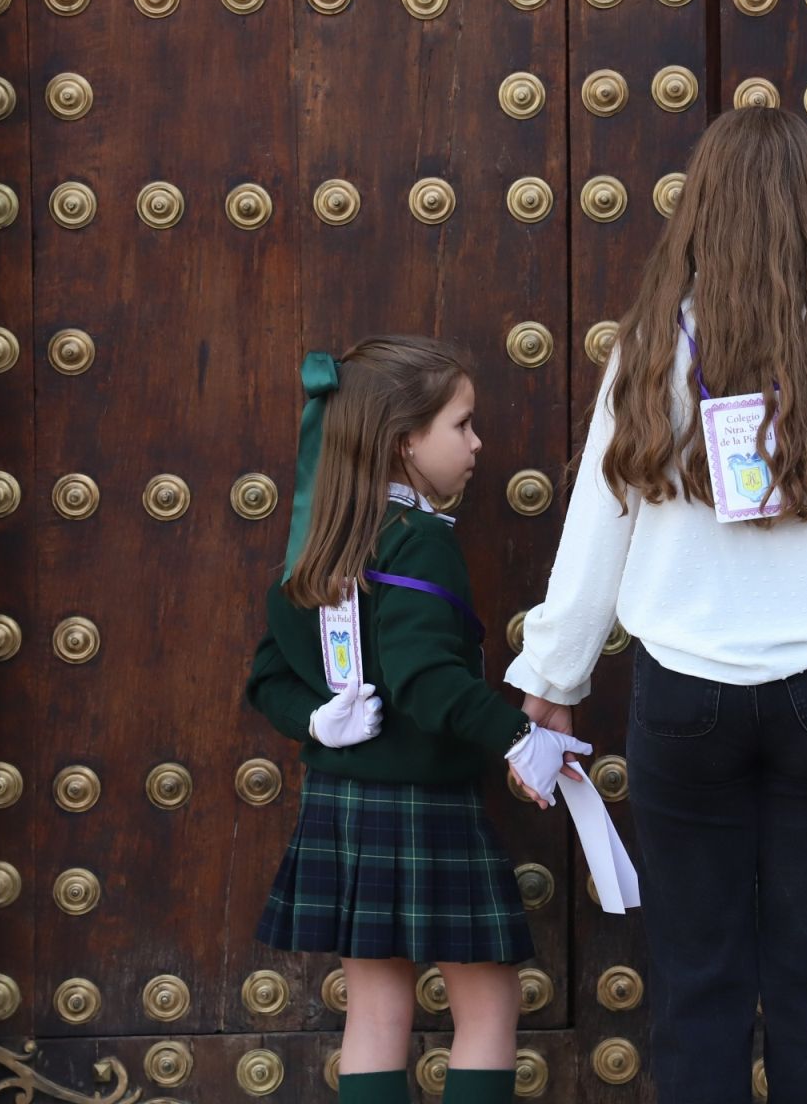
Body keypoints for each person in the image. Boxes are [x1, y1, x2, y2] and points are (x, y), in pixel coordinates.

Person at [505, 107, 807, 1103]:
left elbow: (600, 519)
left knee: (697, 980)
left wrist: (552, 676)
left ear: (700, 208)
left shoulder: (646, 349)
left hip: (684, 695)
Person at [244, 337, 587, 1104]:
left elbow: (266, 677)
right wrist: (521, 737)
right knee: (490, 1004)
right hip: (426, 810)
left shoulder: (318, 539)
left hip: (341, 807)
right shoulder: (422, 542)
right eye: (461, 425)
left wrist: (314, 720)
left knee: (373, 1012)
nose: (476, 444)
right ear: (404, 441)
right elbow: (430, 684)